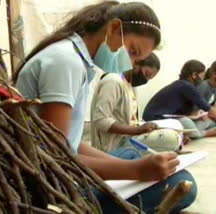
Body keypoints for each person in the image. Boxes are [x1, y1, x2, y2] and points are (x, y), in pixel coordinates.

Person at [14, 2, 196, 213]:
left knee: (132, 153)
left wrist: (136, 167)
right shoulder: (66, 62)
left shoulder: (75, 60)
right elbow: (54, 158)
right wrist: (136, 171)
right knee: (182, 182)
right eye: (132, 51)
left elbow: (70, 142)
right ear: (113, 29)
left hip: (64, 169)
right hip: (52, 186)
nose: (130, 64)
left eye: (137, 59)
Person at [91, 53, 182, 154]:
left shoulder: (130, 86)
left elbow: (132, 122)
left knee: (176, 129)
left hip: (130, 138)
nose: (146, 80)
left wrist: (146, 128)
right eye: (147, 74)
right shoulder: (113, 81)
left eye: (149, 79)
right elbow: (100, 120)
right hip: (114, 146)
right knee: (172, 138)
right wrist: (137, 130)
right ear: (135, 64)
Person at [143, 60, 216, 139]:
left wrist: (198, 114)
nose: (202, 79)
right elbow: (210, 110)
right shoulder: (186, 86)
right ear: (194, 75)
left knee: (206, 122)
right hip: (155, 119)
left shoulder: (181, 85)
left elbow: (188, 112)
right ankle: (204, 134)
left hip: (162, 118)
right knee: (186, 121)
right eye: (202, 76)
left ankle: (192, 133)